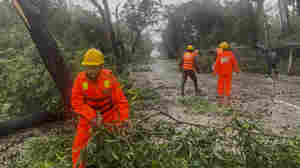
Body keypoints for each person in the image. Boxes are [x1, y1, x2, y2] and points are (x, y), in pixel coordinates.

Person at [71, 48, 130, 168]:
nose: (91, 70)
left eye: (94, 67)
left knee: (118, 141)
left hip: (110, 115)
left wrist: (124, 119)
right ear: (84, 66)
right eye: (88, 67)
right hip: (88, 118)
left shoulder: (109, 78)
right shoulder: (80, 80)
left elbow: (121, 100)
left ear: (101, 66)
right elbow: (76, 102)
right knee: (79, 146)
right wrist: (92, 117)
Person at [213, 42, 240, 106]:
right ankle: (227, 102)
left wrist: (215, 72)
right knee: (227, 86)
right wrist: (237, 71)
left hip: (221, 73)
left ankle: (220, 101)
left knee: (220, 86)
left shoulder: (220, 55)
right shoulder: (231, 54)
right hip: (229, 73)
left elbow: (217, 64)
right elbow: (234, 63)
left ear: (221, 48)